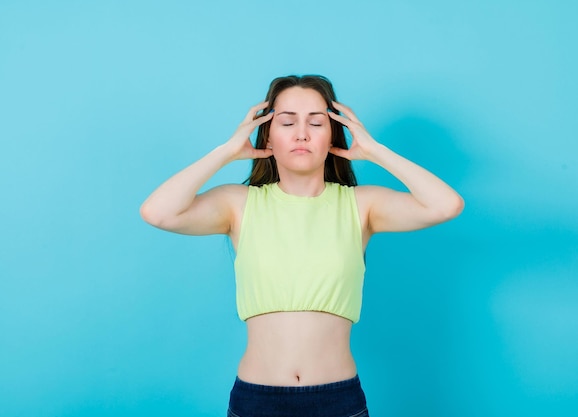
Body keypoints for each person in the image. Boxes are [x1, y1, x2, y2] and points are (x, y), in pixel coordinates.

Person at [140, 75, 464, 417]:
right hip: (256, 401)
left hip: (338, 401)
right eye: (287, 121)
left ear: (333, 134)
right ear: (267, 134)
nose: (301, 133)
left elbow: (446, 205)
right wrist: (226, 151)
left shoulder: (361, 205)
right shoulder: (239, 204)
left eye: (316, 122)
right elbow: (157, 212)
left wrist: (375, 151)